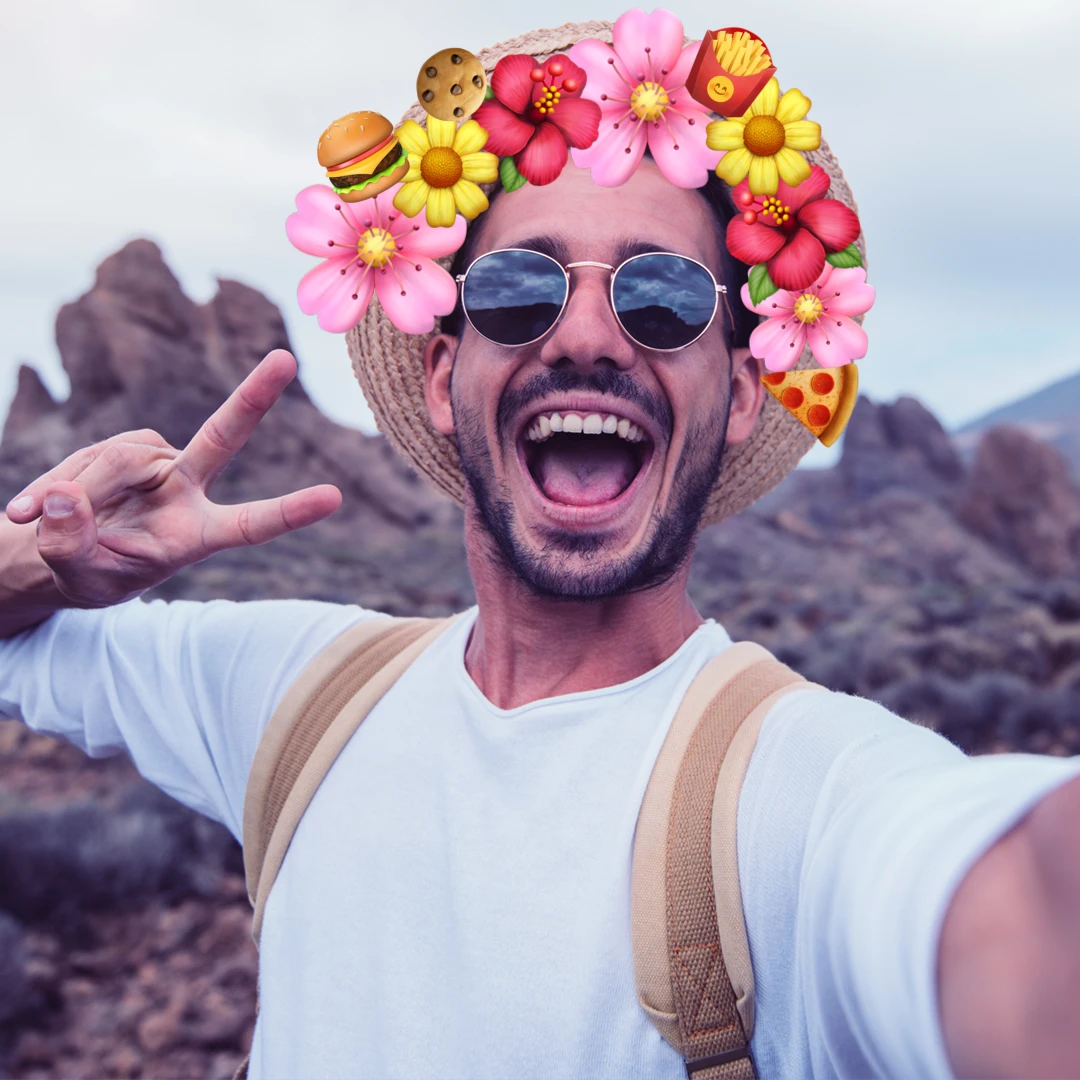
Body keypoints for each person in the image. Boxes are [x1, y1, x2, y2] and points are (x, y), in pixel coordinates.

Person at [3, 18, 1080, 1080]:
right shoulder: (298, 693)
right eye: (520, 290)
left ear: (742, 392)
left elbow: (1022, 918)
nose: (583, 334)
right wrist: (38, 566)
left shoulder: (808, 795)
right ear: (440, 374)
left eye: (660, 296)